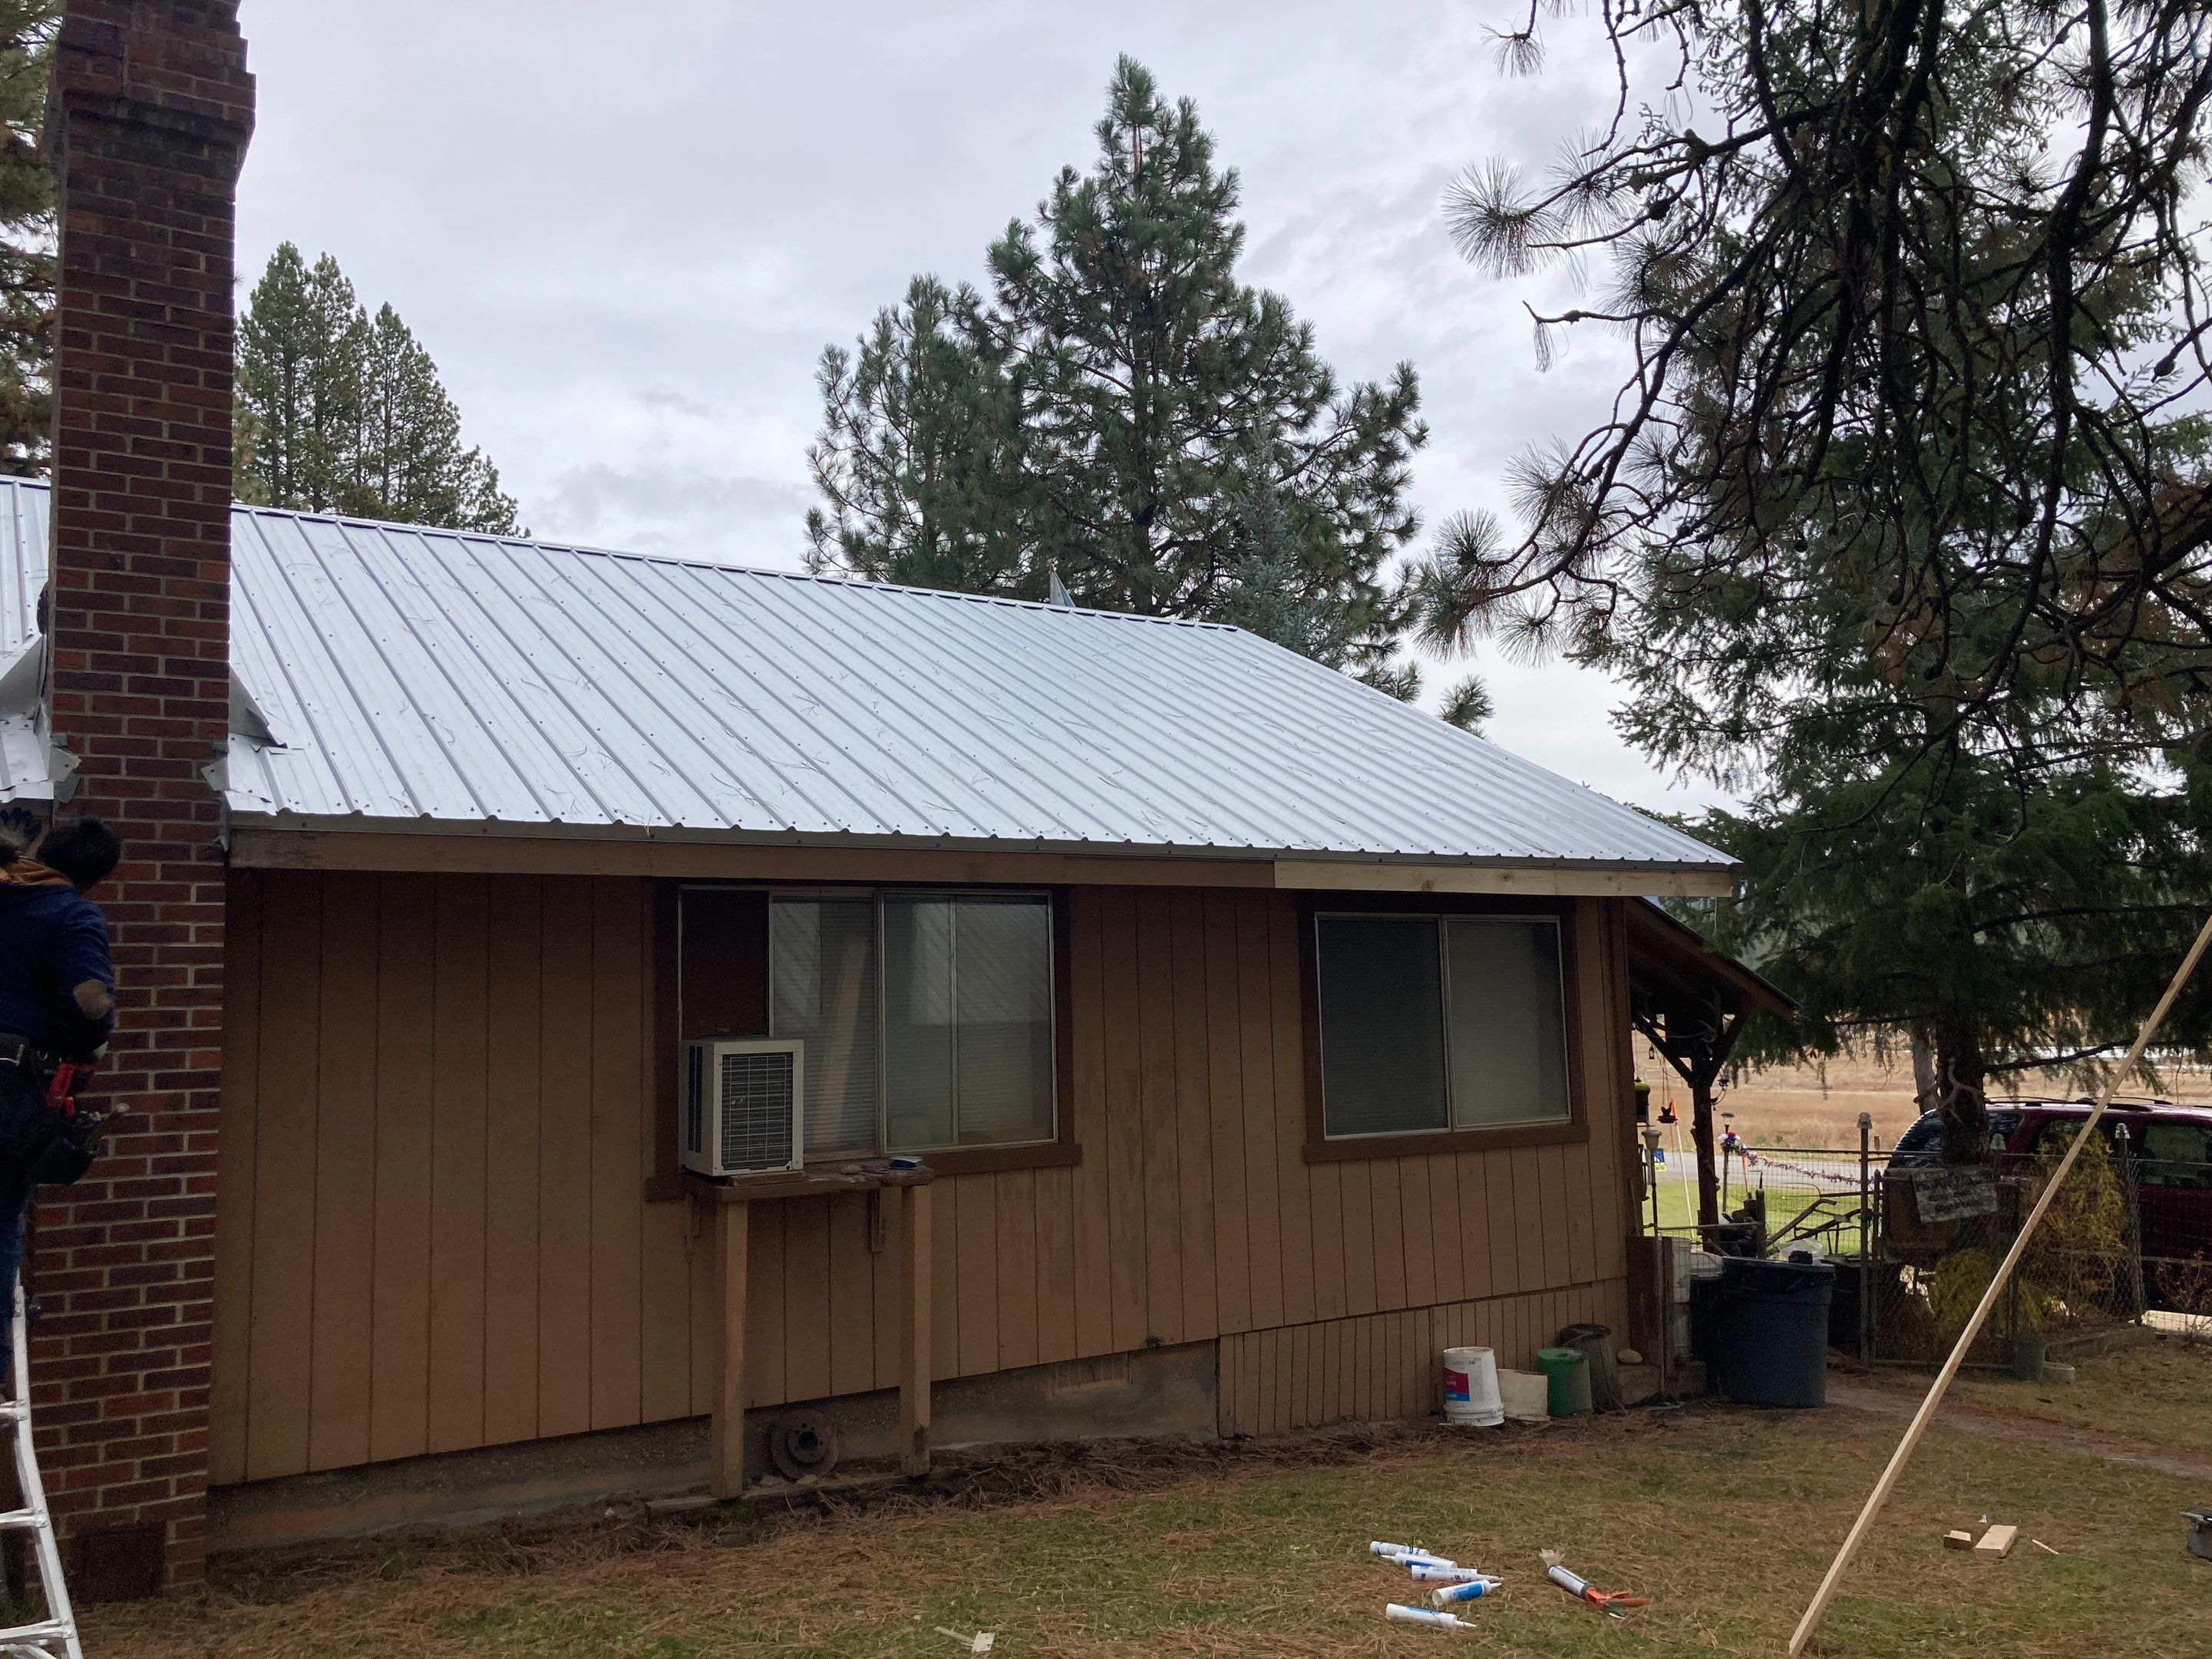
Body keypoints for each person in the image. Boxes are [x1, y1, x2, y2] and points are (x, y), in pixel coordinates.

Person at [0, 816, 121, 1381]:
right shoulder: (73, 914)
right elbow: (88, 997)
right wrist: (96, 1039)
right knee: (2, 1215)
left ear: (44, 849)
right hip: (10, 1091)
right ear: (97, 878)